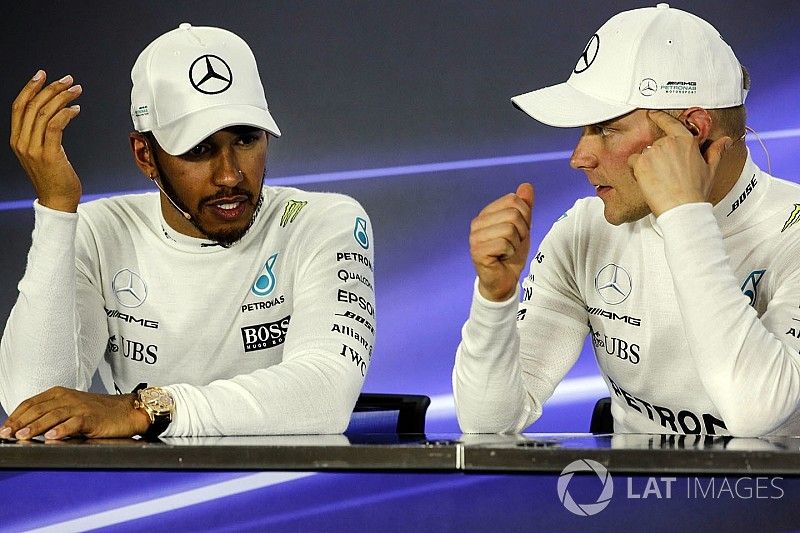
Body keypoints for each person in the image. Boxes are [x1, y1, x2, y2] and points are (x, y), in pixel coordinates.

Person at [0, 23, 375, 439]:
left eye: (246, 139)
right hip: (149, 495)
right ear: (145, 155)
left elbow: (324, 394)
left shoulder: (323, 221)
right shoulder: (100, 232)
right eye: (199, 150)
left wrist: (144, 410)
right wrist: (56, 210)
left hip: (292, 494)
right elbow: (33, 409)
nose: (231, 175)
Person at [453, 4, 800, 437]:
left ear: (692, 131)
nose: (579, 158)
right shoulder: (585, 231)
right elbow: (487, 424)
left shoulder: (793, 235)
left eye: (606, 129)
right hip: (632, 501)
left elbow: (756, 414)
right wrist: (494, 300)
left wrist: (684, 215)